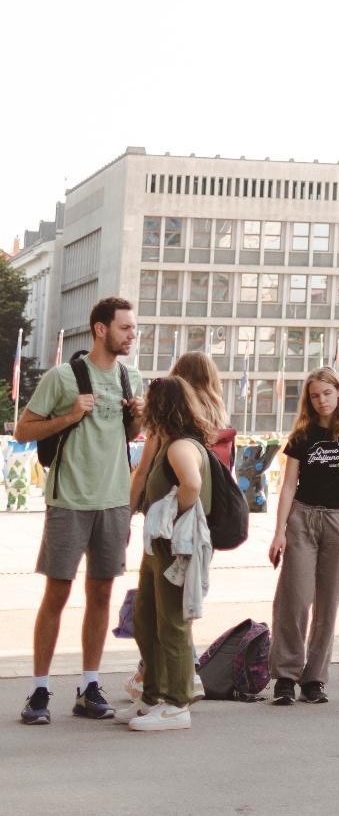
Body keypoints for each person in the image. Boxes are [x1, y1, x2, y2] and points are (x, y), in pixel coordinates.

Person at [16, 297, 143, 725]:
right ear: (101, 329)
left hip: (114, 500)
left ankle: (90, 687)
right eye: (125, 327)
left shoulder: (130, 377)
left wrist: (137, 420)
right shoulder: (63, 377)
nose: (132, 335)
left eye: (133, 328)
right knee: (57, 594)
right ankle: (39, 690)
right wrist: (70, 415)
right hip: (69, 500)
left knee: (102, 594)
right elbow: (23, 429)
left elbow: (128, 435)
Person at [124, 350, 234, 704]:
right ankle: (162, 690)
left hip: (174, 536)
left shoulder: (176, 439)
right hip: (190, 533)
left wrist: (171, 517)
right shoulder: (210, 422)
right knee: (161, 613)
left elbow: (182, 481)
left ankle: (176, 695)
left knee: (168, 617)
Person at [268, 368, 339, 705]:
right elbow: (288, 485)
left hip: (338, 520)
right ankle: (285, 677)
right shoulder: (303, 435)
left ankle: (314, 679)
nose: (322, 400)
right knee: (295, 599)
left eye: (327, 393)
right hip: (302, 518)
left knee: (328, 603)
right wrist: (279, 531)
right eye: (315, 396)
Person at [121, 376, 212, 731]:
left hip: (174, 545)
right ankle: (153, 696)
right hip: (160, 544)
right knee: (146, 617)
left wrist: (174, 517)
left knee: (171, 622)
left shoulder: (179, 447)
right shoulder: (166, 443)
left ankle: (177, 704)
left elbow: (192, 483)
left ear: (161, 407)